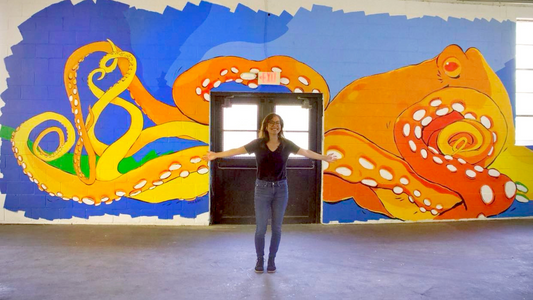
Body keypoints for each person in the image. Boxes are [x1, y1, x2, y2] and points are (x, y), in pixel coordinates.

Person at [203, 113, 337, 273]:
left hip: (281, 189)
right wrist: (215, 155)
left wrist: (324, 158)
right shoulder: (258, 144)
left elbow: (306, 152)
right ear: (266, 126)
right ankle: (260, 259)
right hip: (262, 189)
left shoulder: (286, 144)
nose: (275, 125)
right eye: (272, 123)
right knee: (260, 228)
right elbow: (236, 150)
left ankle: (272, 259)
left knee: (277, 228)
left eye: (278, 123)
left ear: (281, 127)